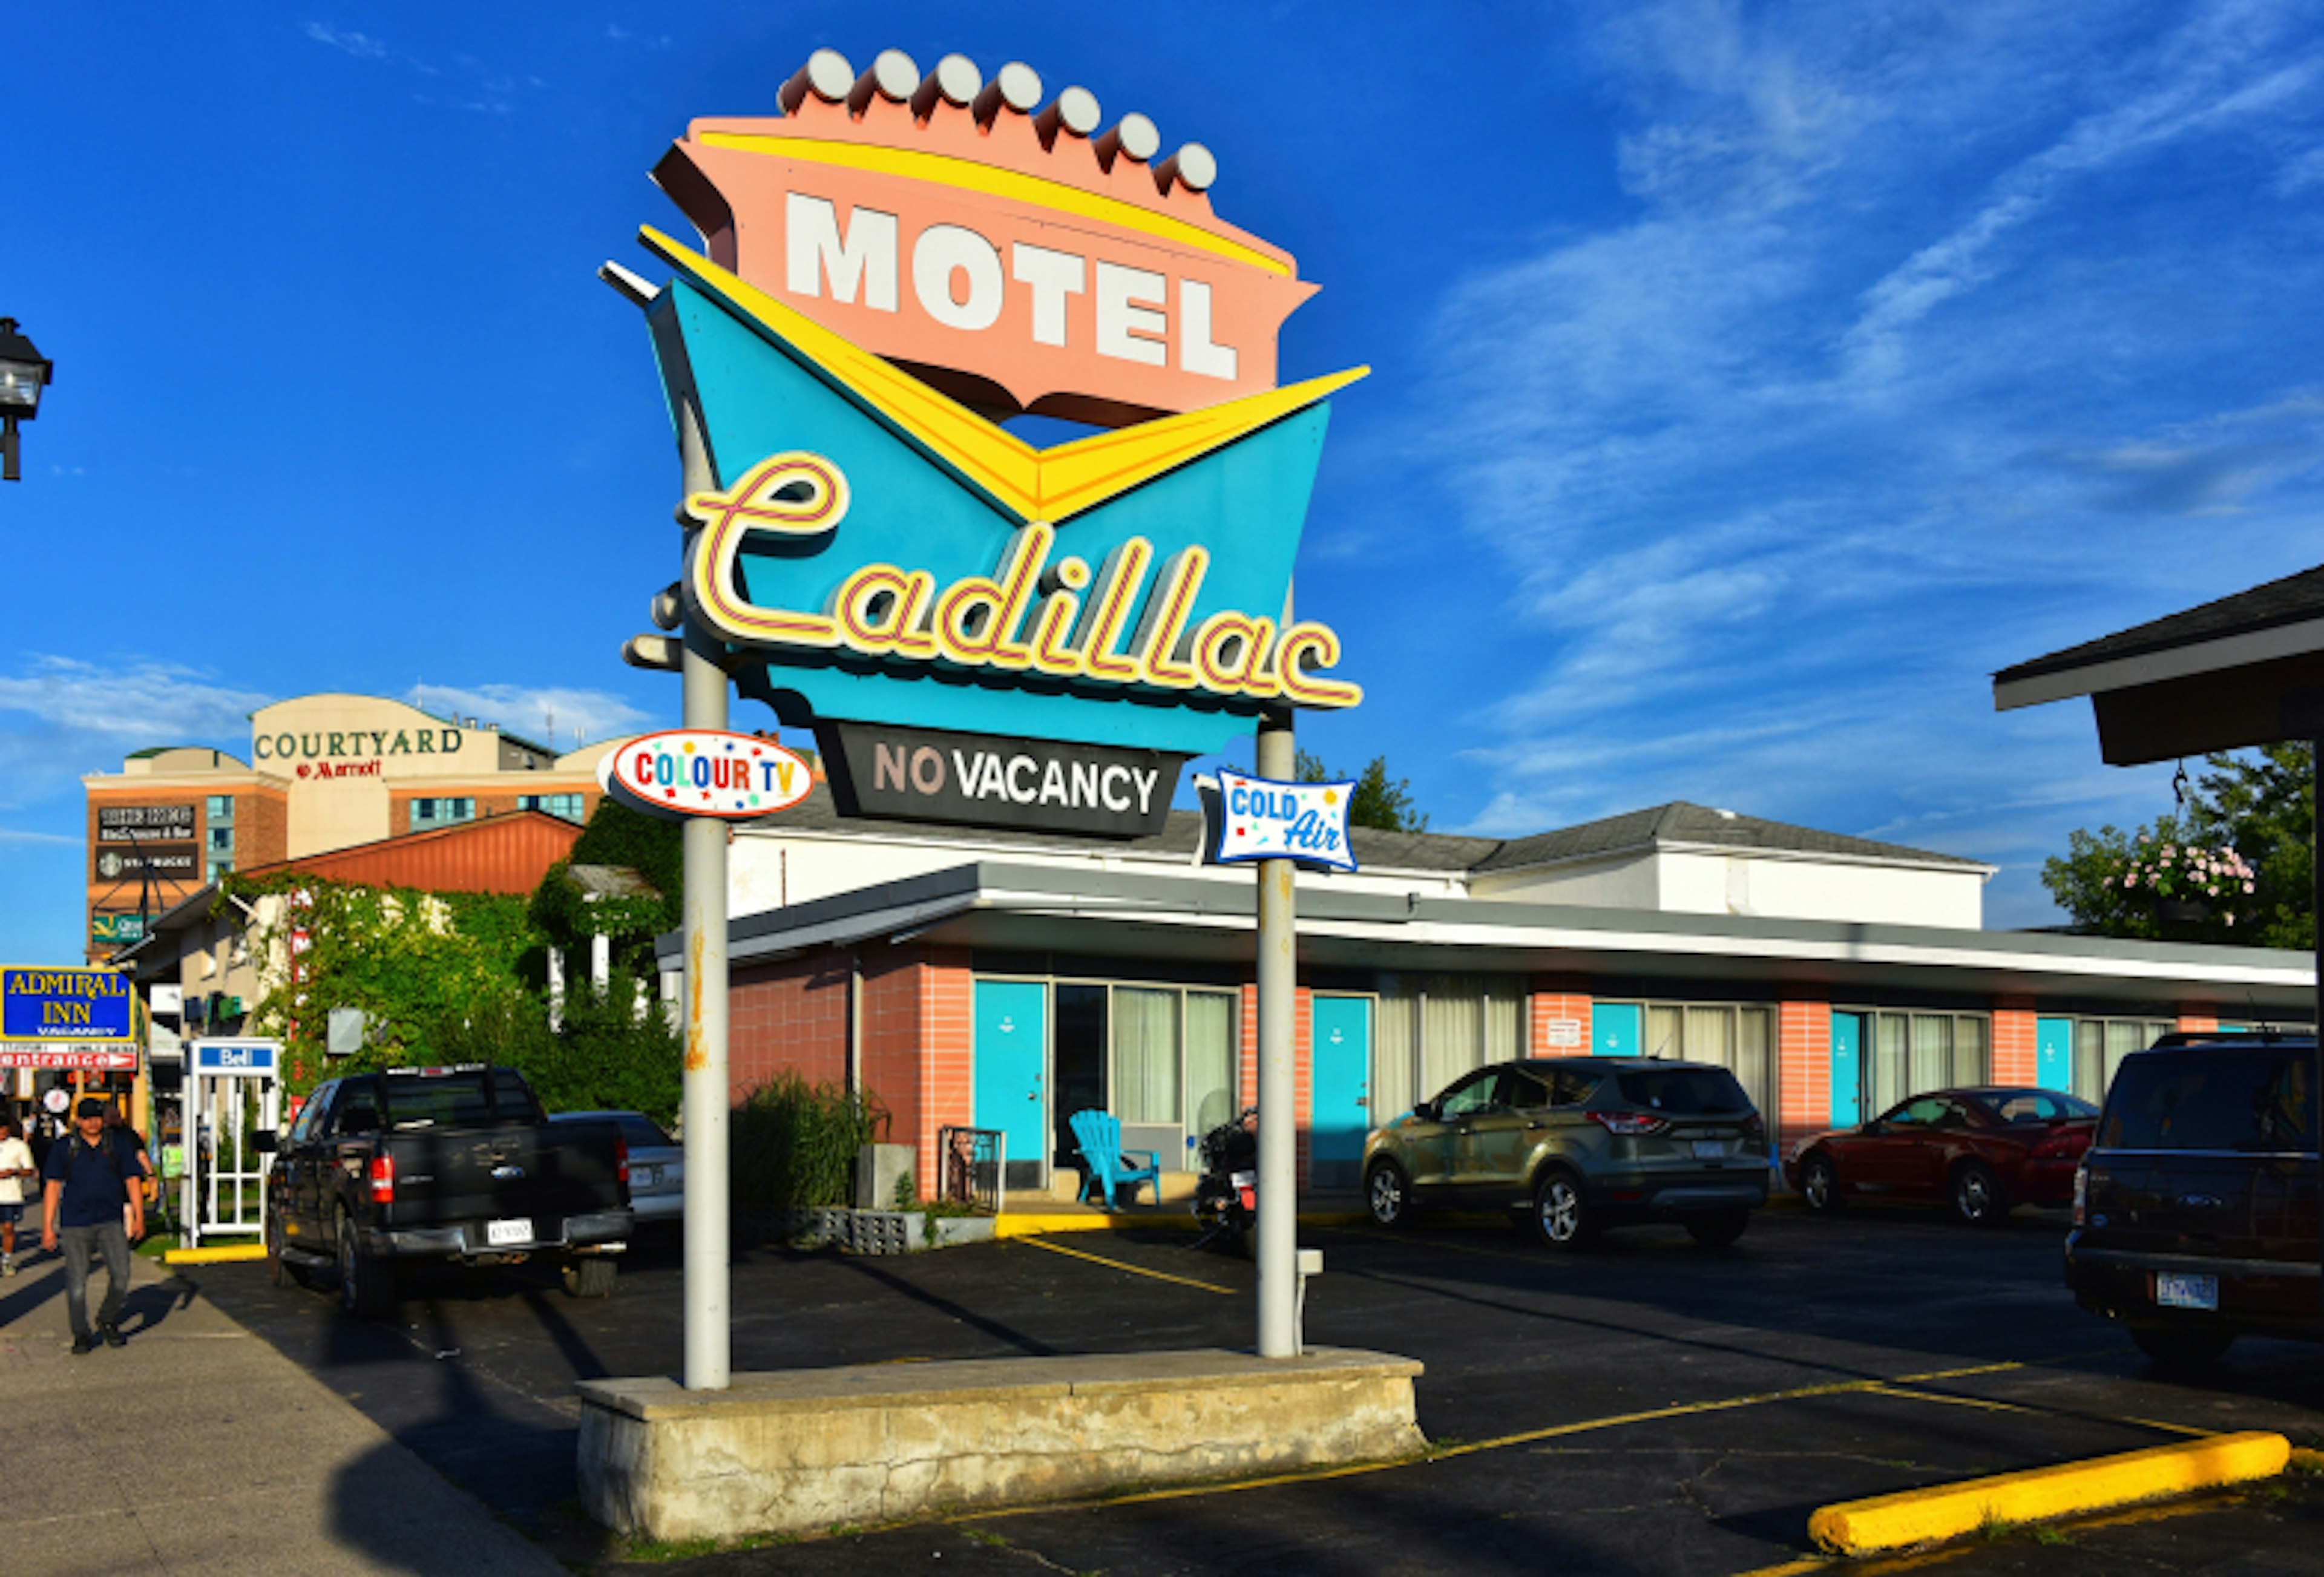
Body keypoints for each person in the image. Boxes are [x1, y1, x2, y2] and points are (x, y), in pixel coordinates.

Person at [41, 1097, 146, 1354]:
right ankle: (81, 1334)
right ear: (78, 1121)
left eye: (97, 1117)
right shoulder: (65, 1147)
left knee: (121, 1276)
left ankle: (107, 1319)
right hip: (76, 1223)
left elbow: (132, 1179)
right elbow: (53, 1186)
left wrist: (139, 1218)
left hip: (110, 1220)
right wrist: (47, 1227)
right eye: (87, 1118)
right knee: (77, 1282)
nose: (93, 1123)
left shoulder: (117, 1143)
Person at [0, 1116, 35, 1275]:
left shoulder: (19, 1146)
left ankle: (6, 1260)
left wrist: (14, 1172)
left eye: (4, 1129)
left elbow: (29, 1170)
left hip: (11, 1195)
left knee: (8, 1228)